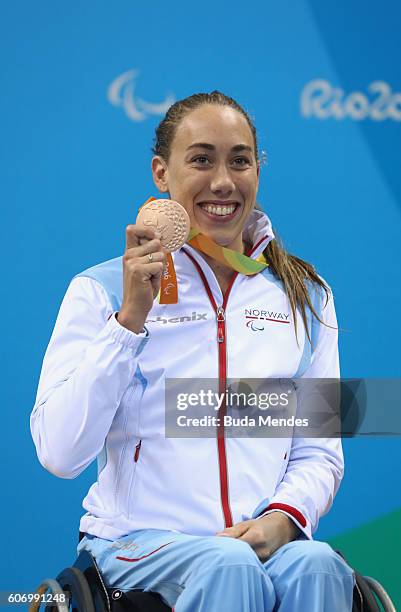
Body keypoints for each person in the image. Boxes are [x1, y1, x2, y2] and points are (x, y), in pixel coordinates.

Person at [30, 91, 354, 611]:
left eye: (239, 160)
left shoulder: (307, 296)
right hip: (136, 545)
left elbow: (319, 449)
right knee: (229, 565)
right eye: (201, 159)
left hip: (259, 542)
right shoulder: (101, 291)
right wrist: (128, 323)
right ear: (162, 173)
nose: (223, 181)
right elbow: (59, 453)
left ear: (257, 170)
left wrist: (285, 517)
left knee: (317, 562)